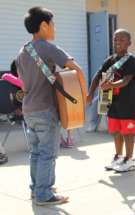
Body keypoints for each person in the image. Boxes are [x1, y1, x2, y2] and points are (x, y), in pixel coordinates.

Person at [16, 7, 85, 205]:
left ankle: (36, 189)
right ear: (43, 25)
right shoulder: (46, 47)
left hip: (29, 109)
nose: (54, 28)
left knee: (36, 152)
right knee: (48, 153)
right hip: (46, 109)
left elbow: (24, 82)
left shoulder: (22, 51)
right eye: (53, 24)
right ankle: (44, 194)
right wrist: (85, 97)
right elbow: (76, 69)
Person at [87, 29, 135, 173]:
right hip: (111, 101)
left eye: (121, 39)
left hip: (127, 102)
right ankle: (118, 157)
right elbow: (97, 76)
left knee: (127, 132)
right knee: (115, 131)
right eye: (115, 39)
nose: (117, 42)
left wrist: (111, 85)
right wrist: (90, 93)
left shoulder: (132, 60)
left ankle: (129, 160)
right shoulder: (110, 60)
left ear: (129, 43)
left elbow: (126, 80)